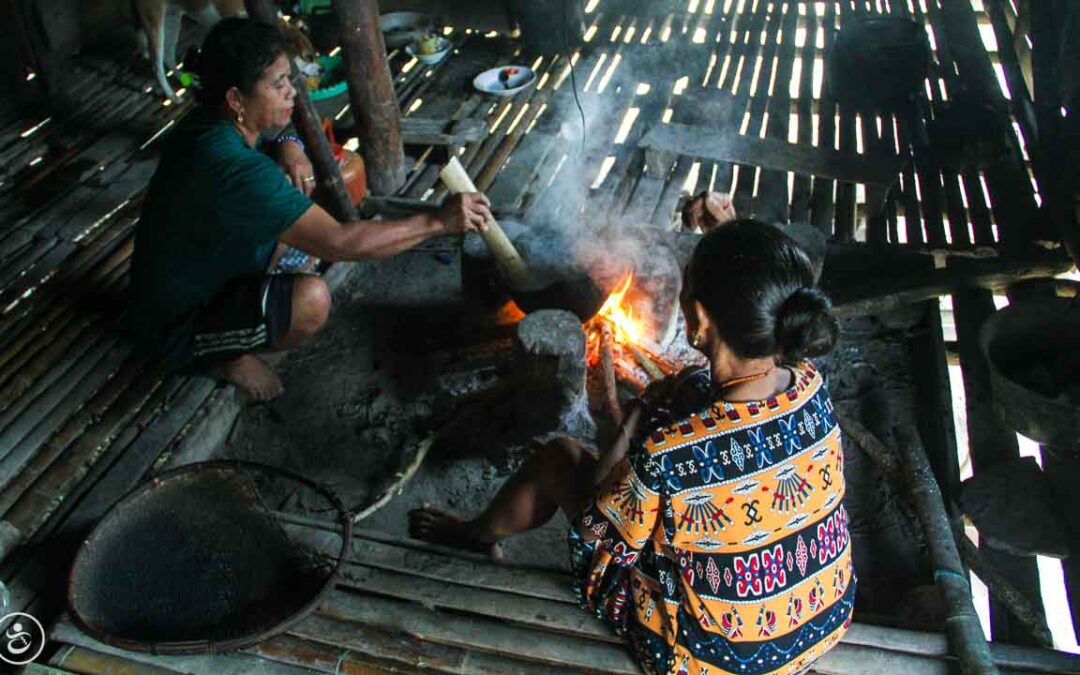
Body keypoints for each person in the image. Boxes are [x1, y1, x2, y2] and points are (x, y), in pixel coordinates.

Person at [410, 221, 854, 674]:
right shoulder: (811, 386)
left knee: (560, 459)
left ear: (699, 320)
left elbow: (596, 528)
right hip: (821, 617)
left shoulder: (670, 453)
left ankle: (474, 535)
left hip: (716, 659)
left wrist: (637, 416)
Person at [128, 18, 490, 400]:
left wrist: (287, 140)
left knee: (300, 215)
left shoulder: (213, 122)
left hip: (206, 266)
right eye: (278, 85)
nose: (292, 94)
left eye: (290, 80)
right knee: (310, 301)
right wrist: (438, 220)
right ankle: (225, 356)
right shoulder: (230, 165)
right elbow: (341, 243)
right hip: (176, 323)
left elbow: (278, 129)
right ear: (236, 98)